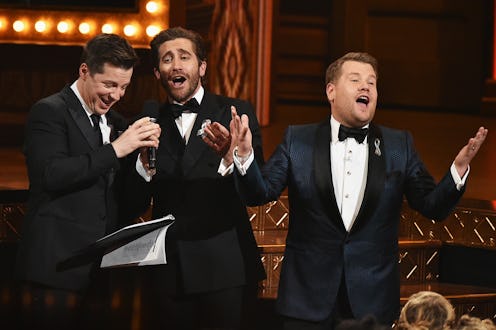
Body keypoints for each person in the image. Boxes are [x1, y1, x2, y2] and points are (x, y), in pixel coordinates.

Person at [228, 52, 488, 329]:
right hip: (306, 300)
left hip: (371, 303)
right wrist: (244, 155)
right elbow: (260, 192)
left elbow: (431, 206)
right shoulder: (298, 140)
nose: (366, 87)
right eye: (355, 80)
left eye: (372, 83)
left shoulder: (398, 145)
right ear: (331, 90)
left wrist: (457, 171)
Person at [14, 33, 161, 330]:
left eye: (124, 87)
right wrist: (117, 149)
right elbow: (50, 174)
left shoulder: (117, 123)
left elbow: (125, 202)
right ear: (84, 71)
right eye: (108, 84)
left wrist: (144, 170)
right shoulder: (50, 111)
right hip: (56, 267)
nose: (117, 95)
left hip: (101, 271)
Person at [125, 26, 265, 330]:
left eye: (184, 57)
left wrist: (234, 157)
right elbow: (132, 203)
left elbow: (256, 193)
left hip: (225, 267)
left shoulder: (236, 112)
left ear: (201, 67)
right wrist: (141, 166)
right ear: (157, 73)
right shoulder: (145, 123)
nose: (175, 65)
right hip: (167, 271)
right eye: (166, 59)